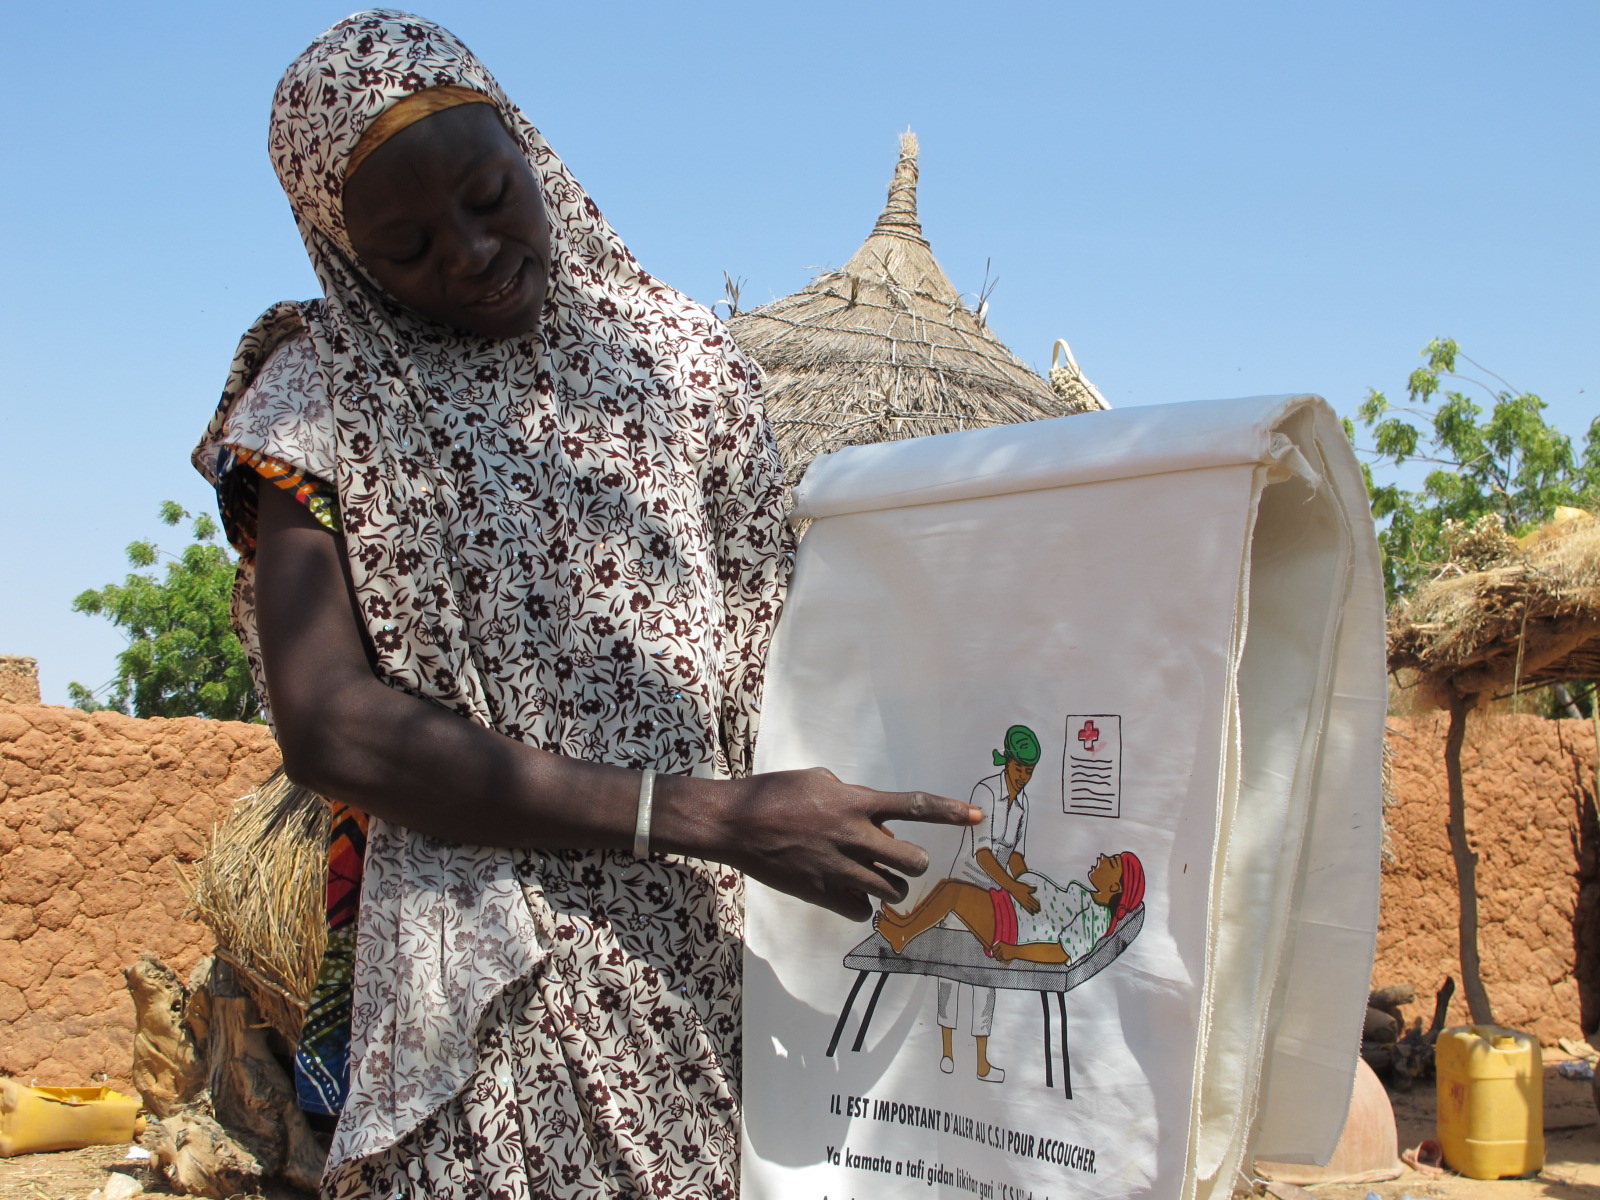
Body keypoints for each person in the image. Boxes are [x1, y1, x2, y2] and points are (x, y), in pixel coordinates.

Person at [193, 11, 980, 1198]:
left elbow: (778, 638)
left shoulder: (681, 364)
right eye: (405, 247)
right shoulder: (316, 398)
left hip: (697, 960)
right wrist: (703, 816)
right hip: (478, 983)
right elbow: (330, 724)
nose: (466, 253)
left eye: (486, 194)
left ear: (530, 149)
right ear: (343, 254)